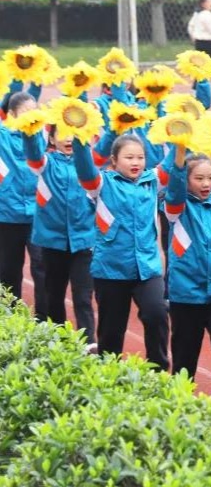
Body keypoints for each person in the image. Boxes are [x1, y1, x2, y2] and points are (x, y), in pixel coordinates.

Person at [73, 133, 169, 370]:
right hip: (111, 269)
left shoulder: (153, 180)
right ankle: (108, 377)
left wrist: (180, 136)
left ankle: (157, 373)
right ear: (114, 160)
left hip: (146, 267)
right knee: (111, 332)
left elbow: (174, 163)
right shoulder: (102, 183)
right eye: (129, 157)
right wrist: (79, 136)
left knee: (157, 314)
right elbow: (85, 168)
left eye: (140, 157)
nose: (135, 162)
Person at [162, 145, 211, 403]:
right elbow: (174, 187)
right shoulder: (177, 207)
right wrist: (180, 155)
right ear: (186, 180)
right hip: (187, 295)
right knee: (185, 360)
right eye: (199, 178)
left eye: (210, 178)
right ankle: (179, 407)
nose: (206, 183)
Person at [20, 122, 96, 349]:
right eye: (62, 134)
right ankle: (58, 343)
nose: (68, 139)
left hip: (83, 243)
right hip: (52, 243)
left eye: (74, 134)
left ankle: (89, 345)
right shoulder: (44, 164)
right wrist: (29, 130)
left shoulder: (89, 167)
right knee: (54, 295)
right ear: (51, 139)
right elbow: (33, 151)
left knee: (83, 298)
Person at [0, 91, 47, 315]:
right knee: (9, 273)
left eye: (34, 110)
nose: (32, 116)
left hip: (37, 215)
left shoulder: (41, 136)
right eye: (26, 112)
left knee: (43, 270)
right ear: (11, 114)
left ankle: (45, 322)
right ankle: (11, 322)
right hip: (7, 216)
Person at [187, 0, 211, 70]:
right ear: (203, 4)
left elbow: (190, 26)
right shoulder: (207, 15)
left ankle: (197, 82)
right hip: (208, 43)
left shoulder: (197, 14)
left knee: (199, 66)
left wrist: (193, 36)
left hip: (199, 42)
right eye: (209, 1)